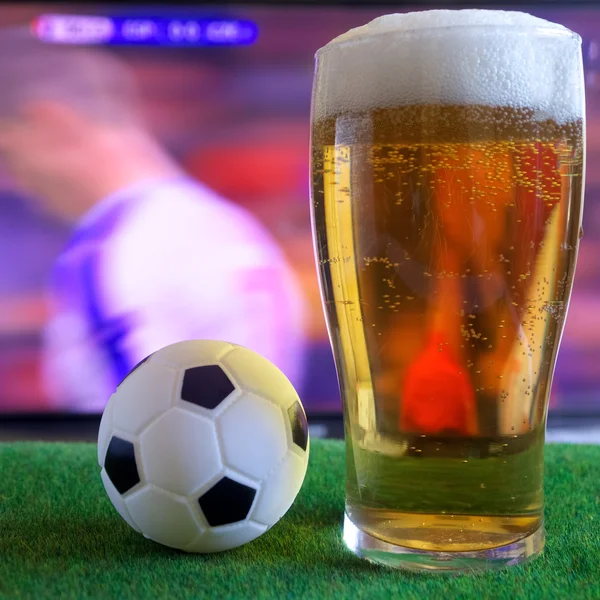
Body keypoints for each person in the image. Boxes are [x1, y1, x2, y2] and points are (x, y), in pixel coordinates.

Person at [0, 27, 306, 412]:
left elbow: (143, 446)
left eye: (7, 154)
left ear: (51, 124)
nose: (11, 181)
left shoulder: (113, 250)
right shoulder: (227, 224)